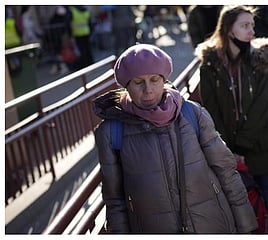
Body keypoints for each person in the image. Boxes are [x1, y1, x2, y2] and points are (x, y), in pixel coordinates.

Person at [93, 43, 257, 233]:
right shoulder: (112, 132)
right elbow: (115, 201)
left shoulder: (191, 114)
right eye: (138, 82)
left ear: (164, 79)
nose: (148, 89)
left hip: (212, 225)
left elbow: (226, 171)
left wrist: (246, 225)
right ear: (126, 85)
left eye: (154, 80)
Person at [194, 5, 268, 219]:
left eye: (252, 25)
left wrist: (242, 144)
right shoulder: (210, 65)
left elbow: (262, 108)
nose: (252, 31)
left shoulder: (261, 59)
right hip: (230, 152)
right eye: (245, 26)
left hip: (260, 144)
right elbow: (211, 111)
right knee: (243, 213)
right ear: (228, 29)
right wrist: (227, 147)